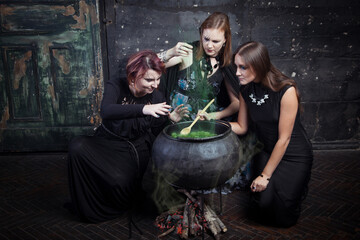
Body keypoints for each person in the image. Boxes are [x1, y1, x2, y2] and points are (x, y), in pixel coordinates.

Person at [66, 50, 187, 223]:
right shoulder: (116, 85)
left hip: (135, 149)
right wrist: (143, 109)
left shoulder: (157, 96)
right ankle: (89, 206)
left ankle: (122, 200)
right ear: (132, 77)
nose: (155, 85)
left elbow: (156, 130)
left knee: (120, 181)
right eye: (149, 80)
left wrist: (170, 119)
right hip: (107, 143)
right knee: (77, 147)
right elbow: (106, 111)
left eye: (158, 79)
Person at [229, 41, 313, 227]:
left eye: (243, 67)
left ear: (258, 66)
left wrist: (265, 176)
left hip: (293, 154)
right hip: (267, 150)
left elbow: (284, 139)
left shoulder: (286, 90)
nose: (237, 73)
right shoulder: (245, 90)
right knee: (263, 206)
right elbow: (242, 127)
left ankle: (294, 191)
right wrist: (213, 123)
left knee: (284, 219)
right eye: (236, 66)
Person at [157, 12, 240, 122]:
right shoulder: (188, 52)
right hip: (177, 119)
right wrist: (169, 53)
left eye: (215, 41)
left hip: (205, 122)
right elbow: (147, 64)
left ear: (225, 40)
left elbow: (236, 103)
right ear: (201, 34)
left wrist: (215, 115)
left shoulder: (225, 63)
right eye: (206, 39)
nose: (209, 45)